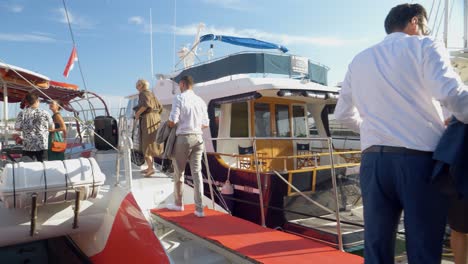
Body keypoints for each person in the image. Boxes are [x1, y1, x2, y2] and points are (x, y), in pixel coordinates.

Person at [335, 3, 468, 264]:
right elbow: (450, 93)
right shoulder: (424, 46)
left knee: (376, 248)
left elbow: (342, 115)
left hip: (373, 162)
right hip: (419, 163)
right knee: (423, 248)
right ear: (415, 22)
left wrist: (376, 130)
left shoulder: (359, 59)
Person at [166, 75, 209, 217]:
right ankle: (199, 209)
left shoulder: (179, 98)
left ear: (183, 84)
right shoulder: (201, 101)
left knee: (179, 173)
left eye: (179, 85)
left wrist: (170, 125)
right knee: (197, 173)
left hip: (183, 139)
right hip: (198, 138)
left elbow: (173, 120)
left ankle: (178, 204)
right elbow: (206, 124)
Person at [134, 79, 163, 177]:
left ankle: (150, 169)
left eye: (137, 85)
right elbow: (160, 107)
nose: (136, 87)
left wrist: (138, 113)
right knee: (151, 143)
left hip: (147, 119)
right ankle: (150, 167)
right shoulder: (152, 94)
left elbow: (146, 105)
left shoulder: (143, 93)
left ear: (141, 86)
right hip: (155, 118)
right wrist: (155, 116)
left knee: (145, 144)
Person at [15, 93, 53, 162]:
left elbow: (17, 128)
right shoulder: (45, 113)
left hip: (28, 145)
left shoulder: (22, 113)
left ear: (27, 102)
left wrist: (26, 128)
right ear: (36, 101)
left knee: (27, 167)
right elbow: (52, 127)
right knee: (43, 167)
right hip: (42, 145)